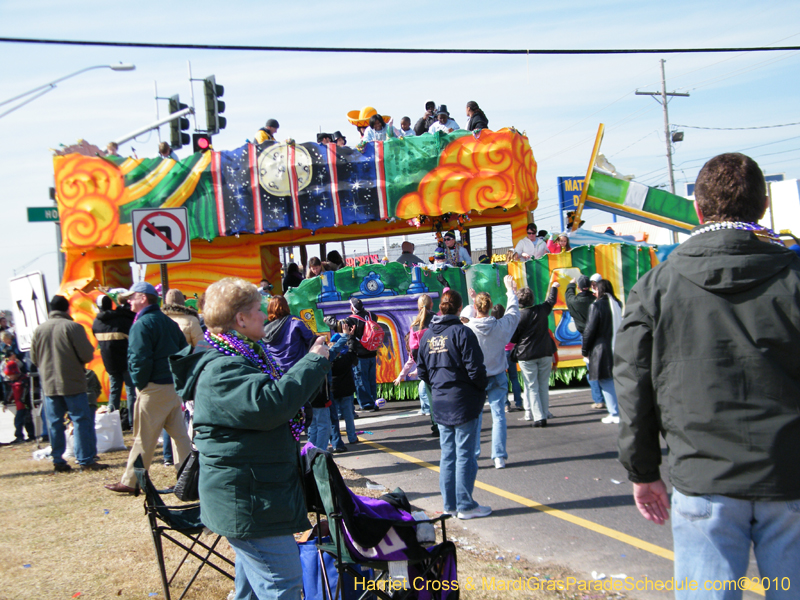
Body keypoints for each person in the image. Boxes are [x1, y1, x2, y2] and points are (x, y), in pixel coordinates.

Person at [615, 152, 800, 594]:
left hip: (703, 477)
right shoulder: (792, 276)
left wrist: (642, 470)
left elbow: (633, 384)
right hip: (789, 475)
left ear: (698, 209)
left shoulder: (657, 286)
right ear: (763, 206)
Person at [169, 277, 331, 600]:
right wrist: (313, 362)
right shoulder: (221, 369)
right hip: (250, 502)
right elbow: (270, 404)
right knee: (283, 584)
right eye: (258, 310)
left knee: (251, 591)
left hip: (250, 495)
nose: (264, 316)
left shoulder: (233, 355)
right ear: (240, 319)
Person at [105, 282, 192, 494]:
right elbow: (184, 351)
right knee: (180, 437)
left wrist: (140, 384)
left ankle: (131, 481)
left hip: (153, 387)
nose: (129, 301)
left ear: (143, 298)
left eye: (132, 297)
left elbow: (138, 359)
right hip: (172, 386)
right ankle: (190, 478)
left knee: (144, 436)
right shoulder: (167, 322)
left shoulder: (142, 324)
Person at [417, 290, 488, 519]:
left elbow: (422, 371)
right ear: (459, 309)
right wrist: (480, 388)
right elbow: (475, 369)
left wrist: (438, 386)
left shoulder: (428, 335)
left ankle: (450, 505)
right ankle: (465, 505)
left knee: (448, 454)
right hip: (463, 400)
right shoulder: (462, 332)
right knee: (465, 454)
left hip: (440, 400)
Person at [31, 294, 104, 472]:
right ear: (67, 309)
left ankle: (58, 460)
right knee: (80, 420)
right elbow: (87, 354)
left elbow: (34, 358)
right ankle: (85, 460)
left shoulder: (40, 329)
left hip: (49, 384)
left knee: (55, 423)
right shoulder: (73, 327)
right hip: (73, 382)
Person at [466, 276, 520, 469]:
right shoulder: (500, 327)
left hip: (476, 378)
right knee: (499, 417)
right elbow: (514, 313)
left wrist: (471, 300)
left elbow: (465, 316)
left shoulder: (468, 328)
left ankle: (474, 455)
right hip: (497, 374)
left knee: (476, 418)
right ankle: (499, 457)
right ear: (489, 307)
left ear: (476, 307)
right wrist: (510, 290)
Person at [161, 288, 204, 465]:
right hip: (185, 371)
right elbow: (201, 346)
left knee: (168, 415)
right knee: (185, 413)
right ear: (183, 301)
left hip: (164, 372)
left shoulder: (160, 320)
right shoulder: (191, 320)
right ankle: (187, 450)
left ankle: (167, 455)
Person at [510, 282, 559, 426]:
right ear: (532, 298)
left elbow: (513, 338)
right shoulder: (542, 309)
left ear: (519, 302)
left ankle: (538, 417)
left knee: (532, 386)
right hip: (545, 351)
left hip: (526, 355)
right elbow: (551, 300)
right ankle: (544, 413)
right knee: (543, 385)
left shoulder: (518, 316)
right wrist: (554, 287)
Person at [582, 279, 622, 424]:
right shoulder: (616, 304)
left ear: (601, 290)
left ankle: (614, 412)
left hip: (601, 348)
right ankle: (617, 410)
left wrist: (585, 350)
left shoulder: (597, 306)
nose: (594, 292)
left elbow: (589, 330)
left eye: (596, 289)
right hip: (616, 345)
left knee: (606, 380)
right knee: (614, 380)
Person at [92, 295, 136, 422]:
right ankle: (133, 421)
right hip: (126, 361)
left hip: (110, 363)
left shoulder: (97, 322)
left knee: (114, 391)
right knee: (131, 391)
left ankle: (112, 421)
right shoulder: (120, 319)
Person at [565, 275, 605, 410]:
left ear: (578, 288)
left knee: (591, 369)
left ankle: (599, 399)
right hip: (600, 336)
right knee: (604, 367)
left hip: (585, 336)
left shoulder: (575, 301)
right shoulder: (596, 300)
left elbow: (568, 296)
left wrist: (571, 284)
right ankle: (606, 397)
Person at [263, 296, 317, 373]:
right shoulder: (295, 322)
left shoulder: (264, 329)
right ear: (286, 306)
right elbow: (312, 340)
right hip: (299, 370)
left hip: (277, 373)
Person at [345, 298, 380, 412]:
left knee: (361, 380)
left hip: (360, 354)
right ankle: (372, 400)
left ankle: (366, 404)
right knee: (371, 379)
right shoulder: (372, 316)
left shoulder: (351, 320)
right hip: (372, 352)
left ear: (352, 308)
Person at [328, 327, 359, 453]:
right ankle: (352, 437)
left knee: (333, 418)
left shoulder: (328, 362)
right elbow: (352, 350)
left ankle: (335, 440)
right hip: (346, 390)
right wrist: (351, 336)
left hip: (333, 391)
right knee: (349, 416)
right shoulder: (346, 359)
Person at [493, 304, 524, 413]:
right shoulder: (507, 322)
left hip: (501, 353)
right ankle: (519, 402)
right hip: (511, 352)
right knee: (514, 378)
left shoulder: (494, 324)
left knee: (503, 379)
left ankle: (506, 404)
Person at [3, 350, 33, 443]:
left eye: (10, 375)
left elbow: (26, 391)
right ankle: (27, 435)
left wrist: (23, 400)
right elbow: (11, 394)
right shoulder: (13, 383)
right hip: (19, 405)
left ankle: (22, 436)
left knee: (22, 421)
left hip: (24, 405)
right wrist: (6, 402)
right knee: (22, 420)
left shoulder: (23, 380)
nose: (9, 377)